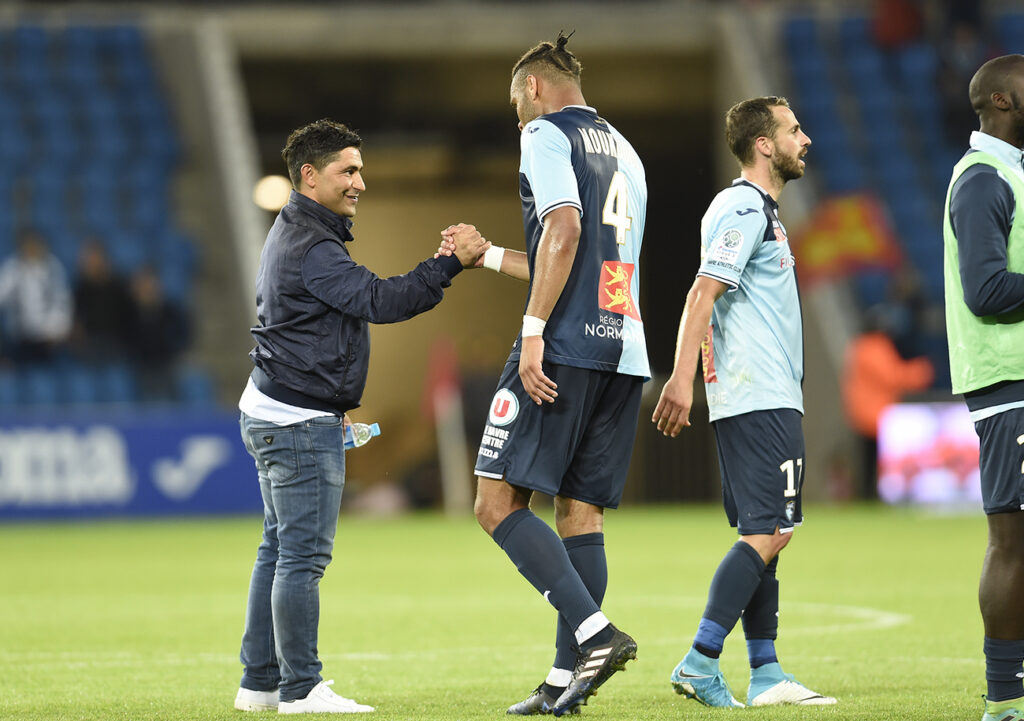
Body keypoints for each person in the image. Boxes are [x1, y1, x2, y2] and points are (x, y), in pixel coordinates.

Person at [234, 119, 487, 715]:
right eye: (348, 170)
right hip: (296, 420)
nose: (360, 183)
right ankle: (299, 689)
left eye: (360, 169)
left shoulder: (294, 232)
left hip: (275, 408)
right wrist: (448, 263)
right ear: (309, 176)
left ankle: (260, 683)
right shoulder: (314, 248)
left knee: (277, 549)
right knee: (300, 557)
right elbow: (382, 300)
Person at [439, 31, 649, 717]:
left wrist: (532, 335)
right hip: (623, 348)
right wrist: (491, 254)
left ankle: (594, 633)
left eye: (515, 107)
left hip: (561, 347)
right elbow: (583, 260)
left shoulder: (544, 135)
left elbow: (562, 229)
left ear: (533, 89)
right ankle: (566, 680)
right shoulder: (627, 151)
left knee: (494, 503)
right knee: (578, 512)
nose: (517, 121)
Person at [651, 96, 836, 708]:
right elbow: (703, 291)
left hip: (759, 392)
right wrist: (679, 379)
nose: (804, 140)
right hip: (756, 392)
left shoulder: (762, 212)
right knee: (771, 531)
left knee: (768, 530)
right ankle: (702, 659)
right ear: (765, 144)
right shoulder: (742, 206)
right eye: (794, 130)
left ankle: (766, 672)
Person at [943, 54, 1024, 721]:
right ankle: (1005, 696)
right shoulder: (981, 180)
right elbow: (988, 288)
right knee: (1012, 540)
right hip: (1008, 378)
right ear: (1001, 100)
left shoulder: (1012, 177)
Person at [841, 306, 934, 498]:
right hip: (873, 415)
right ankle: (868, 496)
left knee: (868, 459)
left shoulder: (860, 346)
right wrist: (919, 372)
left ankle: (867, 494)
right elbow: (892, 376)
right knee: (872, 460)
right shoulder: (873, 346)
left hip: (865, 412)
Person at [0, 229, 72, 365]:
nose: (32, 249)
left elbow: (61, 301)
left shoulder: (53, 268)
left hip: (46, 337)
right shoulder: (13, 267)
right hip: (17, 335)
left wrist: (56, 329)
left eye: (35, 245)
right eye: (28, 245)